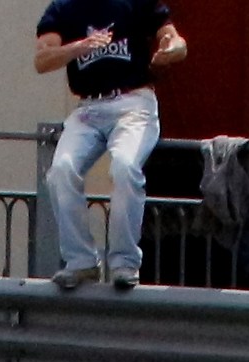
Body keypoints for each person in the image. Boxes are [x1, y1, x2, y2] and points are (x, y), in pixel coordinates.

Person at [34, 0, 186, 291]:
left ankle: (124, 262)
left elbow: (174, 39)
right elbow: (42, 60)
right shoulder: (64, 8)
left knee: (125, 166)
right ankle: (81, 261)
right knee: (61, 171)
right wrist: (80, 47)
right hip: (89, 107)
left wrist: (171, 49)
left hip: (133, 101)